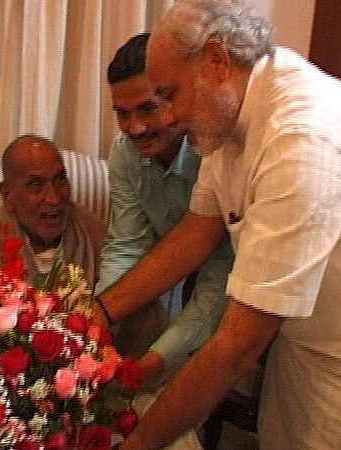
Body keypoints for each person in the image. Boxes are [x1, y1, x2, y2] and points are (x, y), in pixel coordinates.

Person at [92, 1, 341, 449]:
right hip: (310, 347)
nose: (166, 117)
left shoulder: (302, 140)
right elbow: (195, 234)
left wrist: (137, 444)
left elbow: (239, 345)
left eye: (169, 95)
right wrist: (99, 312)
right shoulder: (226, 111)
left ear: (216, 60)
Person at [96, 33, 234, 382]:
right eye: (122, 114)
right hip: (171, 281)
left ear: (174, 99)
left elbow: (219, 278)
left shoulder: (215, 154)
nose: (135, 128)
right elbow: (126, 245)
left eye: (148, 109)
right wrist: (96, 326)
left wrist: (156, 361)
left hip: (234, 290)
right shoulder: (124, 152)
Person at [0, 134, 105, 285]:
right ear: (7, 195)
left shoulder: (94, 235)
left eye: (60, 180)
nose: (54, 199)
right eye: (36, 185)